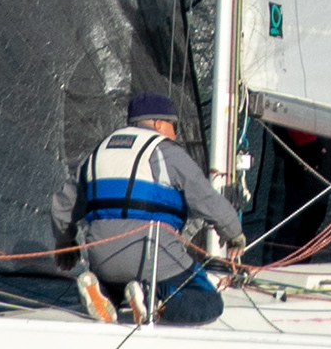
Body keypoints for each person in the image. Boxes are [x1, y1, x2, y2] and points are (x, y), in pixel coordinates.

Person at [67, 88, 245, 325]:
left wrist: (66, 241)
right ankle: (154, 302)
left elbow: (64, 205)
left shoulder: (99, 152)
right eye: (174, 126)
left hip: (102, 257)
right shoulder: (166, 151)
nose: (175, 134)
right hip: (151, 255)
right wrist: (233, 235)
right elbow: (206, 199)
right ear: (160, 124)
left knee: (118, 278)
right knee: (208, 301)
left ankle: (105, 292)